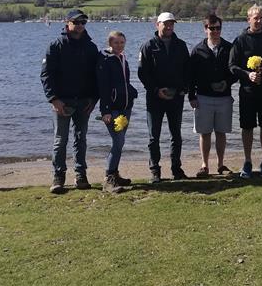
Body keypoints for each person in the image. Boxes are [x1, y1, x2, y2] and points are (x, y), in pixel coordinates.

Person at [41, 9, 99, 194]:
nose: (80, 25)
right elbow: (46, 75)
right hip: (62, 102)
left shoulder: (91, 47)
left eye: (83, 22)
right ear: (67, 23)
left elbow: (96, 76)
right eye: (77, 22)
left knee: (80, 140)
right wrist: (53, 99)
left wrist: (94, 98)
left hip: (84, 102)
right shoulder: (56, 45)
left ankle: (80, 176)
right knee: (60, 140)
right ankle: (58, 177)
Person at [229, 4, 262, 178]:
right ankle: (247, 161)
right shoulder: (240, 40)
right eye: (255, 18)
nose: (258, 21)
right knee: (247, 127)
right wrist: (247, 74)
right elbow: (232, 66)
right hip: (247, 92)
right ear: (248, 19)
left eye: (261, 18)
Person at [138, 12, 191, 183]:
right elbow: (142, 74)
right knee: (154, 136)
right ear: (157, 24)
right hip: (155, 98)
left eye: (171, 24)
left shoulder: (181, 45)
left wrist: (184, 89)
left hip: (176, 97)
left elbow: (187, 70)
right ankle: (155, 170)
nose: (169, 27)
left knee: (176, 135)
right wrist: (155, 90)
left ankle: (176, 169)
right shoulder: (148, 46)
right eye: (165, 24)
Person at [188, 14, 236, 178]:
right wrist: (191, 96)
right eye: (212, 28)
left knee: (221, 132)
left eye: (218, 28)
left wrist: (227, 83)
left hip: (224, 97)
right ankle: (204, 165)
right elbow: (191, 75)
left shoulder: (229, 48)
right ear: (205, 29)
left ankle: (221, 164)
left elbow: (235, 71)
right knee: (205, 133)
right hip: (203, 97)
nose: (215, 31)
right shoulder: (197, 50)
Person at [96, 31, 138, 193]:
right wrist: (105, 110)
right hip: (112, 110)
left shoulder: (123, 58)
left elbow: (125, 81)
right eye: (116, 43)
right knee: (118, 141)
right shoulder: (105, 60)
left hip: (125, 108)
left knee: (120, 142)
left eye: (122, 42)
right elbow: (103, 87)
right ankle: (109, 177)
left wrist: (132, 92)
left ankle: (115, 174)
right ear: (110, 43)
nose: (119, 46)